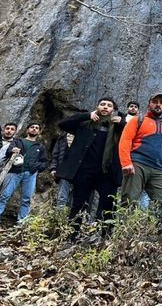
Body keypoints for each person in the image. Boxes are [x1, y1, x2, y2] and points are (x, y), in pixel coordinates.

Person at [57, 97, 126, 235]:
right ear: (97, 107)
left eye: (109, 105)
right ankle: (72, 235)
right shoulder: (85, 123)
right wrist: (86, 115)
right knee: (78, 205)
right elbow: (63, 124)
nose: (105, 107)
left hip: (107, 173)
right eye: (102, 104)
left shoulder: (118, 127)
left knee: (109, 206)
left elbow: (135, 135)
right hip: (84, 172)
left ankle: (106, 237)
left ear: (113, 110)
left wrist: (123, 123)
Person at [119, 93, 162, 225]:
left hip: (159, 169)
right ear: (149, 104)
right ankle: (125, 235)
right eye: (155, 101)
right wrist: (126, 163)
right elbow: (125, 140)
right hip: (137, 165)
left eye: (161, 102)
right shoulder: (138, 120)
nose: (158, 104)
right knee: (130, 199)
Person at [0, 123, 49, 225]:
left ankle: (21, 222)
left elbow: (45, 162)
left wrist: (35, 167)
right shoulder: (18, 141)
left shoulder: (40, 146)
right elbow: (8, 152)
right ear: (27, 130)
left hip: (30, 174)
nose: (34, 129)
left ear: (39, 132)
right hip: (14, 172)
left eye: (36, 128)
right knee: (4, 196)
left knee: (26, 199)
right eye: (32, 127)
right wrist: (12, 150)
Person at [49, 132, 73, 209]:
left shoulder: (83, 135)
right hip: (64, 170)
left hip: (78, 171)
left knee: (75, 198)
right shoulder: (62, 138)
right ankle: (59, 217)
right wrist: (53, 168)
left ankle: (71, 219)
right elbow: (55, 155)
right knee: (62, 196)